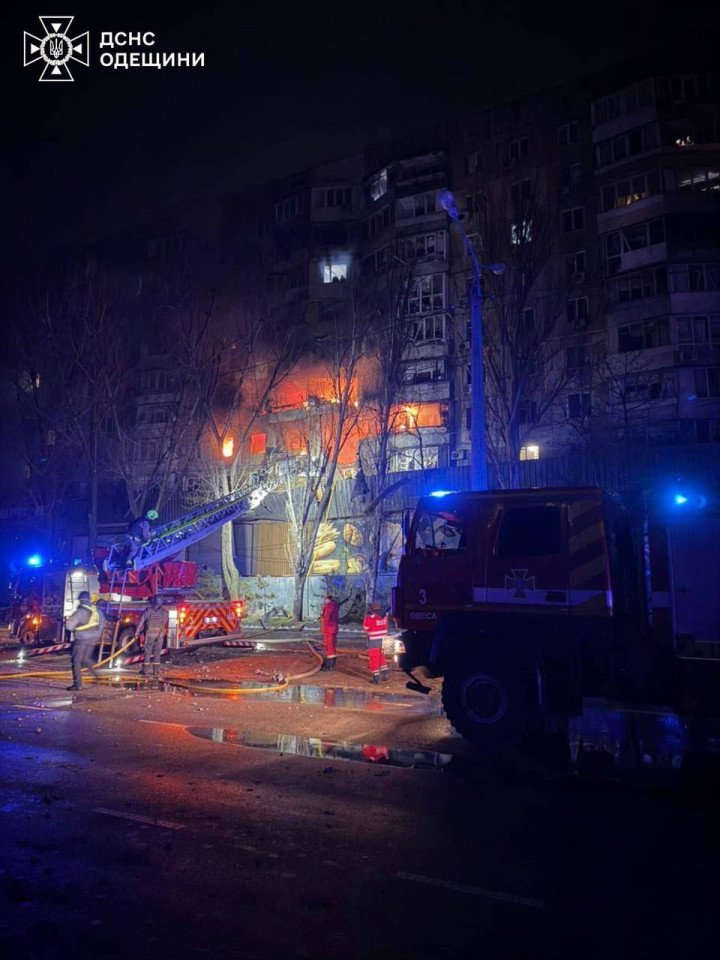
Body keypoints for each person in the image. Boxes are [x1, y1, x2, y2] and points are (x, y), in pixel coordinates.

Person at [65, 590, 106, 691]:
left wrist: (68, 622)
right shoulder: (95, 609)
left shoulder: (80, 611)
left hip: (81, 639)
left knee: (76, 661)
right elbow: (103, 622)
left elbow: (69, 626)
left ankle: (77, 684)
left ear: (80, 600)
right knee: (86, 659)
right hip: (93, 639)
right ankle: (97, 676)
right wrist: (97, 635)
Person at [135, 594, 169, 680]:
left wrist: (137, 632)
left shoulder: (148, 611)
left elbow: (141, 622)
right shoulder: (164, 612)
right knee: (157, 654)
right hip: (160, 636)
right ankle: (156, 671)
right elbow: (164, 624)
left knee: (147, 653)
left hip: (149, 635)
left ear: (154, 601)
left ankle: (145, 671)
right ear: (161, 603)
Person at [362, 602, 390, 684]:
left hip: (374, 639)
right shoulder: (385, 615)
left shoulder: (371, 616)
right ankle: (385, 674)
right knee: (382, 656)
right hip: (384, 638)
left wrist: (367, 618)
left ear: (372, 608)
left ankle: (376, 678)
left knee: (374, 658)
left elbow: (366, 627)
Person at [320, 594, 339, 671]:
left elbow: (326, 618)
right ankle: (332, 662)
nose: (324, 601)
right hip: (333, 628)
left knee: (329, 646)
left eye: (325, 599)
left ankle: (329, 665)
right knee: (332, 646)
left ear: (328, 599)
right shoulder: (335, 606)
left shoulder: (329, 607)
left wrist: (322, 616)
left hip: (329, 629)